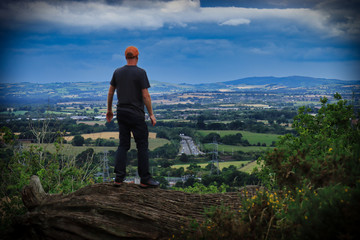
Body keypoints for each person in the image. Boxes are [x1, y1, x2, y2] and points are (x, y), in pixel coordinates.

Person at [106, 46, 159, 188]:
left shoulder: (117, 72)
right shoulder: (140, 73)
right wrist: (151, 114)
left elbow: (110, 93)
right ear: (137, 57)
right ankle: (145, 179)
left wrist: (109, 110)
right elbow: (146, 95)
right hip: (136, 114)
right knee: (142, 145)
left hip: (121, 113)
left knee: (123, 145)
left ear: (125, 57)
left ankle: (118, 178)